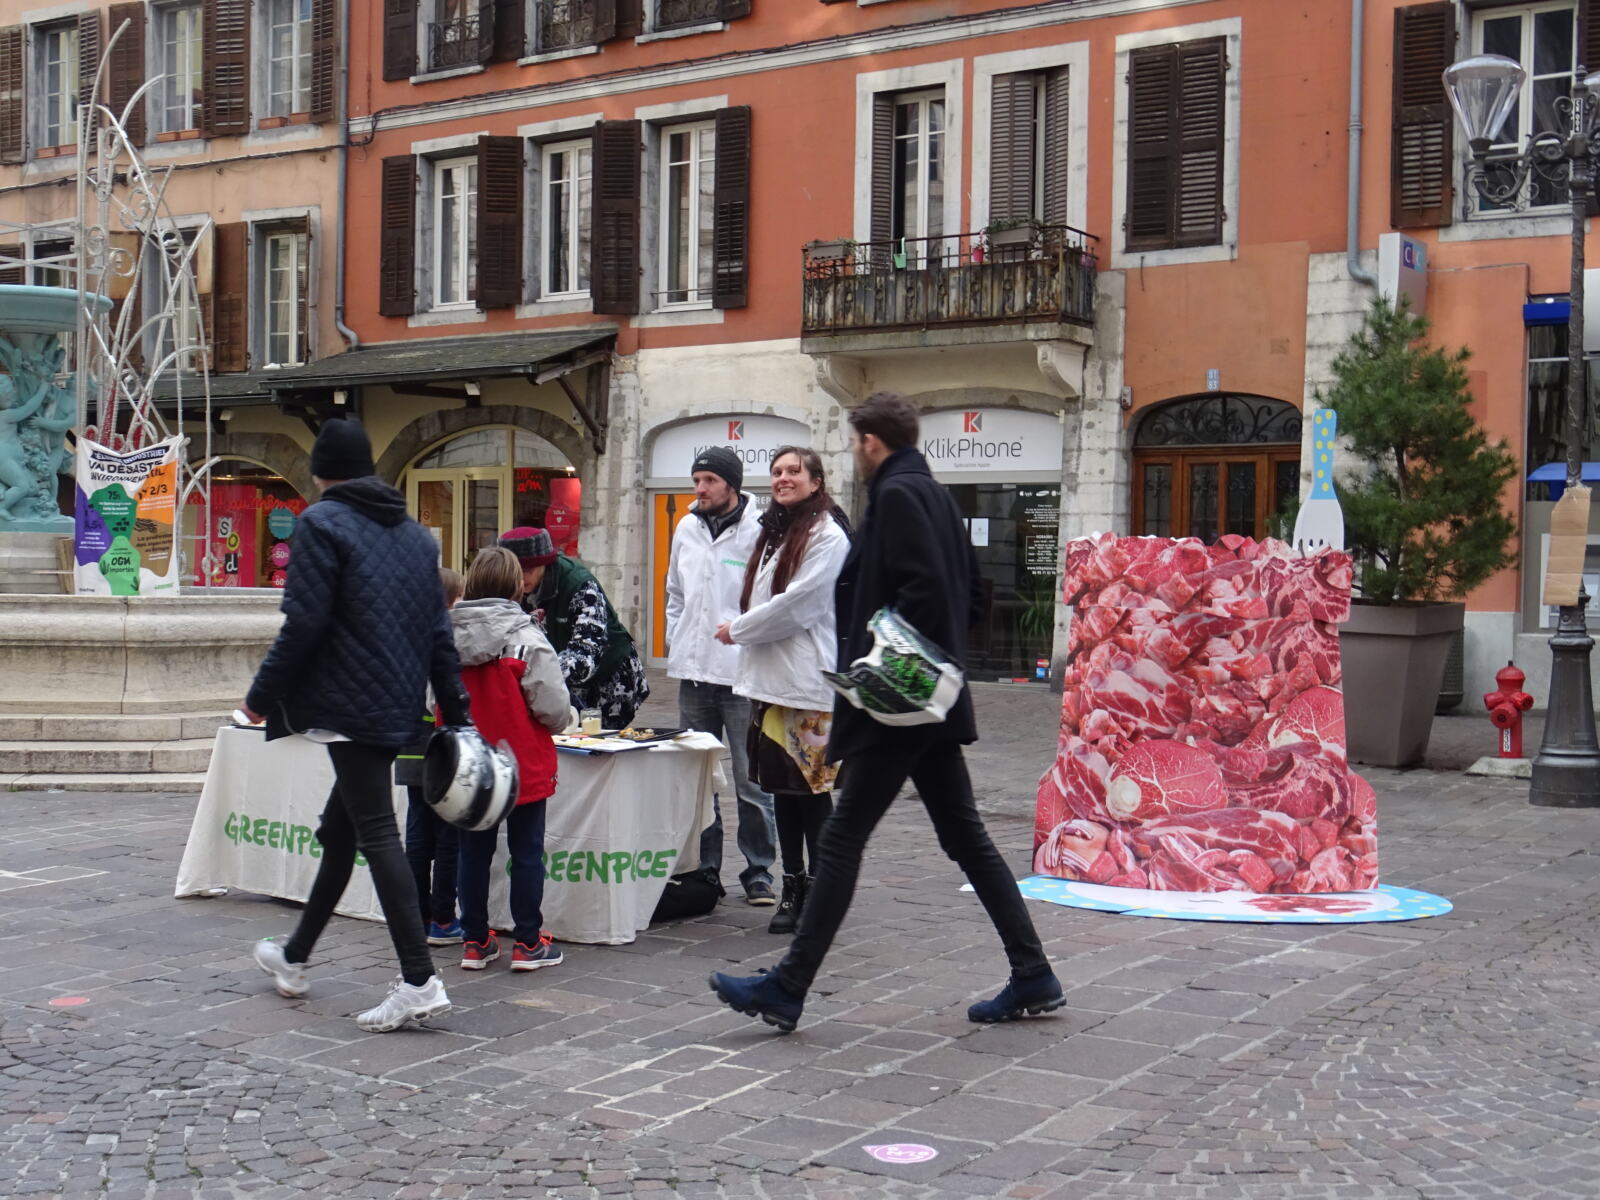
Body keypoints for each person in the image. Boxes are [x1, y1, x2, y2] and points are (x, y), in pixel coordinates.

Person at [710, 393, 1063, 1032]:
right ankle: (1033, 971)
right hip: (928, 707)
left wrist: (888, 666)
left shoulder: (899, 497)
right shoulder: (935, 496)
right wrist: (945, 666)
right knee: (966, 838)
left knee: (842, 838)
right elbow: (974, 594)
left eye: (853, 443)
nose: (854, 452)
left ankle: (788, 987)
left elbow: (927, 592)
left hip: (895, 708)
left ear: (871, 441)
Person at [245, 419, 470, 1033]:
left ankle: (420, 979)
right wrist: (459, 709)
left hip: (346, 705)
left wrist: (258, 698)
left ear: (321, 471)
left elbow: (303, 623)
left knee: (375, 832)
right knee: (340, 830)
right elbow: (436, 636)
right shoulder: (416, 537)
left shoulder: (321, 522)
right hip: (395, 703)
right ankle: (293, 956)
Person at [714, 447, 849, 933]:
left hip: (805, 684)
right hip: (769, 685)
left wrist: (739, 629)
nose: (783, 478)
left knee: (813, 795)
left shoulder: (826, 535)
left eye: (794, 471)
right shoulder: (774, 533)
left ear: (816, 481)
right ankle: (792, 887)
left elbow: (799, 606)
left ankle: (822, 890)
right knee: (782, 793)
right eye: (776, 472)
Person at [665, 446, 778, 908]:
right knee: (699, 778)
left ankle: (759, 870)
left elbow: (772, 597)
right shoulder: (686, 526)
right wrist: (678, 634)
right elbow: (675, 591)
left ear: (730, 484)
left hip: (741, 673)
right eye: (696, 480)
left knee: (751, 779)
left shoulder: (762, 529)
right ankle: (704, 869)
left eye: (708, 481)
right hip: (693, 674)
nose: (699, 490)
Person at [450, 546, 572, 972]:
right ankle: (527, 941)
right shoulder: (525, 637)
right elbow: (553, 708)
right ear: (515, 585)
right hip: (520, 760)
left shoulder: (445, 636)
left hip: (468, 766)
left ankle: (475, 939)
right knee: (526, 853)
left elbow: (432, 699)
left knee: (472, 854)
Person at [498, 527, 649, 729]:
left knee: (594, 744)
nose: (522, 579)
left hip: (610, 678)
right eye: (516, 572)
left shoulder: (579, 584)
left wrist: (541, 674)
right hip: (562, 680)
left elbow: (588, 647)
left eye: (528, 571)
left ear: (544, 563)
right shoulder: (510, 586)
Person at [397, 566, 466, 946]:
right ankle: (443, 917)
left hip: (408, 741)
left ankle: (417, 916)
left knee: (418, 833)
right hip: (440, 742)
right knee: (449, 835)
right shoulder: (444, 634)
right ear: (452, 601)